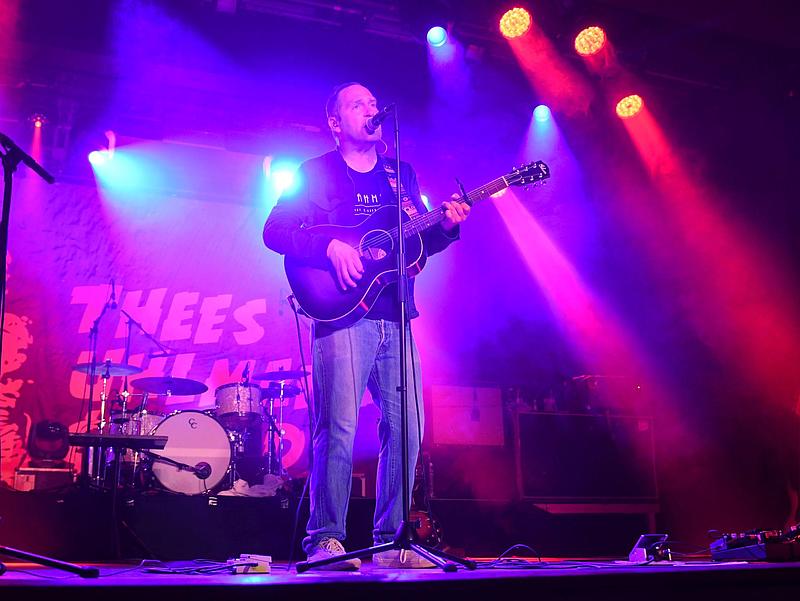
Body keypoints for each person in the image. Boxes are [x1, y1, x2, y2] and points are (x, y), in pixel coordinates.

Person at [262, 82, 469, 569]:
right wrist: (328, 247)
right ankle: (325, 539)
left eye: (375, 103)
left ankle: (393, 540)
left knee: (408, 429)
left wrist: (447, 225)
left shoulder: (401, 174)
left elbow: (415, 246)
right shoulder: (314, 173)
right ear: (335, 123)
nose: (371, 110)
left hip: (395, 314)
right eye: (358, 105)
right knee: (338, 427)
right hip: (341, 314)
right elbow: (274, 231)